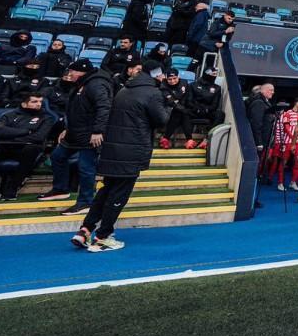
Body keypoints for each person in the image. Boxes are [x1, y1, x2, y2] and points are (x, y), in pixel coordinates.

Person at [71, 60, 167, 252]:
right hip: (131, 150)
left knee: (106, 190)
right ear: (157, 74)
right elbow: (162, 119)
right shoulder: (153, 93)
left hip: (113, 148)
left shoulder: (124, 89)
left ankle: (86, 229)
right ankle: (102, 236)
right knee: (119, 194)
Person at [37, 59, 114, 215]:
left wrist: (98, 131)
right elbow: (75, 110)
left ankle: (85, 202)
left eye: (72, 71)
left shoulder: (96, 84)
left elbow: (104, 108)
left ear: (81, 71)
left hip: (90, 135)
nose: (69, 74)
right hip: (74, 133)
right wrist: (67, 128)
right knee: (57, 157)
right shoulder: (81, 83)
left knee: (86, 168)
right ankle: (60, 189)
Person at [0, 92, 55, 202]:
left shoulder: (47, 118)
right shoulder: (9, 115)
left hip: (27, 147)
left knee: (32, 149)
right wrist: (26, 131)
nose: (39, 104)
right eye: (34, 101)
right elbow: (0, 131)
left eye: (40, 102)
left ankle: (12, 188)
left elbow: (39, 137)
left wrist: (12, 137)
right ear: (24, 104)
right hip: (6, 146)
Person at [267, 96, 298, 191]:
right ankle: (280, 183)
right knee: (282, 162)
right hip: (287, 142)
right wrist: (293, 138)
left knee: (297, 162)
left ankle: (293, 182)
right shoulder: (287, 113)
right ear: (297, 103)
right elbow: (286, 129)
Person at [158, 71, 191, 149]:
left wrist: (182, 106)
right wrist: (181, 107)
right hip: (167, 108)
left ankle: (166, 138)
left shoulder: (184, 82)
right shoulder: (163, 85)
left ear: (178, 77)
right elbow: (171, 101)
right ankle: (189, 139)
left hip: (181, 108)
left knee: (181, 113)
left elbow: (186, 97)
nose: (172, 81)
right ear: (166, 78)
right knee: (180, 112)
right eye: (169, 79)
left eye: (174, 78)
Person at [247, 83, 276, 154]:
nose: (273, 92)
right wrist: (258, 142)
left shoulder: (265, 102)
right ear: (263, 91)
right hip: (257, 141)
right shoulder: (259, 103)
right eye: (271, 90)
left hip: (263, 140)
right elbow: (256, 123)